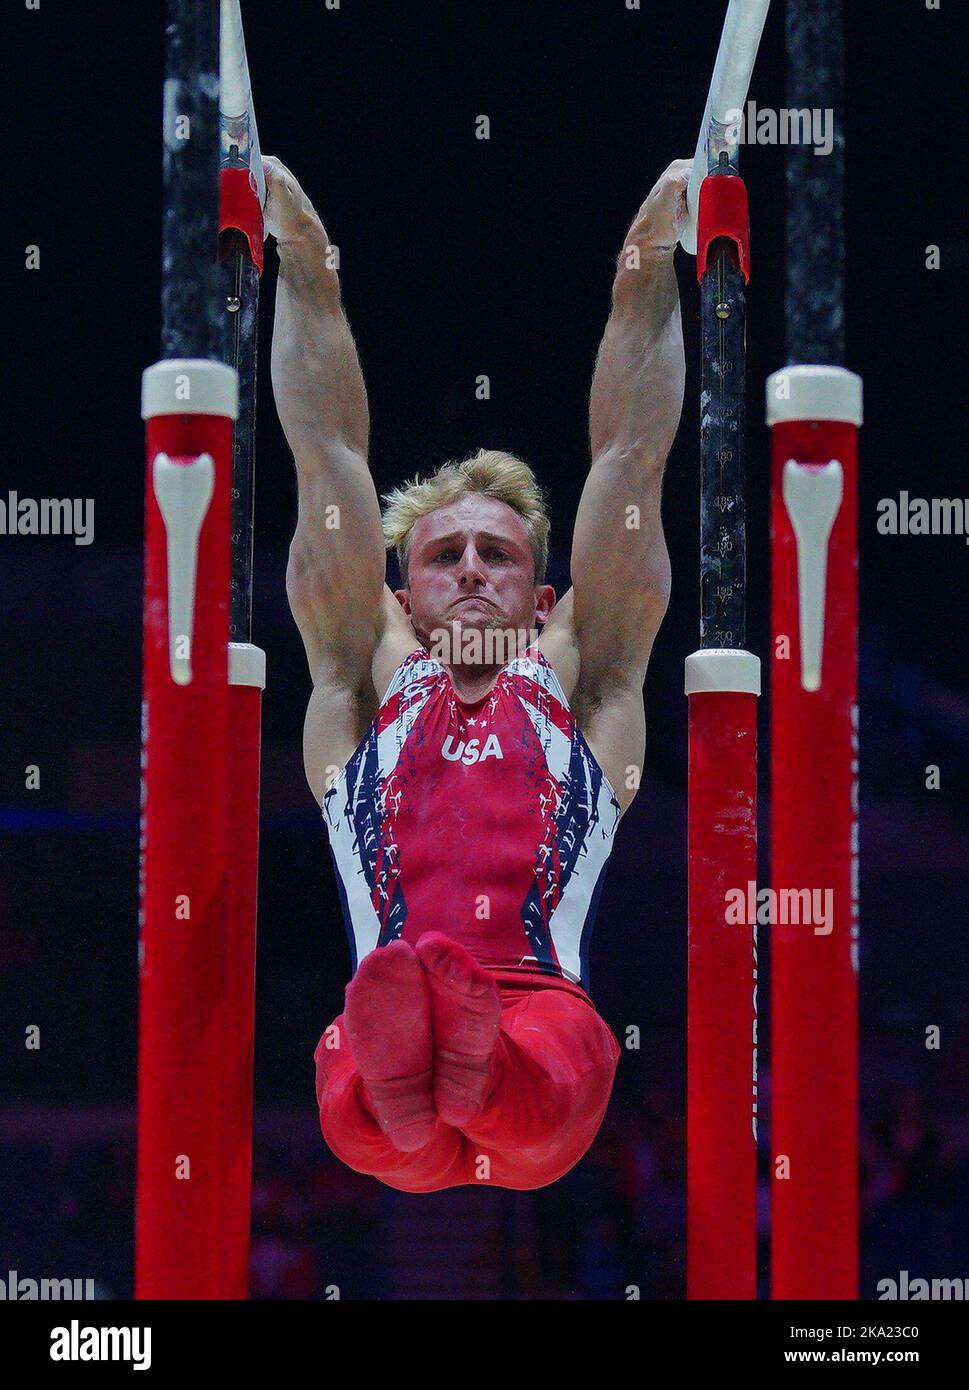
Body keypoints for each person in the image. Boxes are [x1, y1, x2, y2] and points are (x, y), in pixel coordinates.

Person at [266, 153, 687, 1192]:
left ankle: (463, 1060)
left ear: (545, 600)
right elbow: (326, 456)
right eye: (442, 556)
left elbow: (631, 458)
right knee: (366, 1077)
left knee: (534, 1062)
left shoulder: (586, 679)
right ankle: (420, 1061)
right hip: (389, 1029)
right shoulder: (358, 678)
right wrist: (308, 272)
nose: (469, 573)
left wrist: (647, 271)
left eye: (497, 555)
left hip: (541, 1018)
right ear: (398, 599)